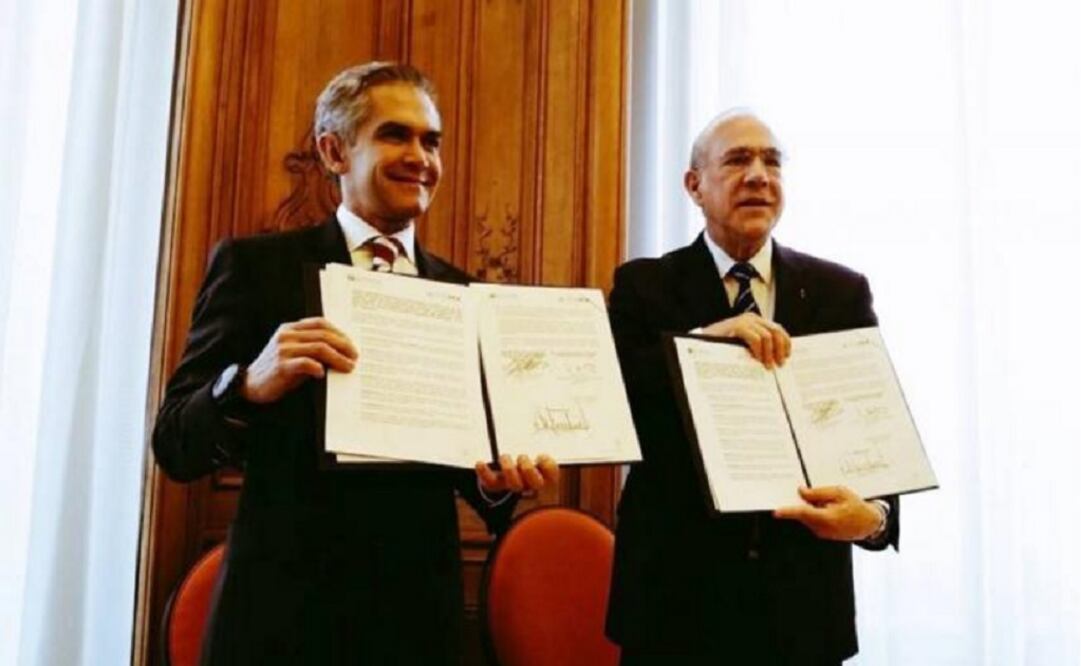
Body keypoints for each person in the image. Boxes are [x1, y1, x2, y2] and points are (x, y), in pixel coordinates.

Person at [152, 61, 558, 665]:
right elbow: (175, 445)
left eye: (432, 141)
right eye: (396, 135)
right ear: (334, 150)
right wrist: (247, 385)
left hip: (418, 626)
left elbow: (471, 473)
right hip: (281, 623)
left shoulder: (467, 295)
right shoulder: (255, 268)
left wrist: (498, 483)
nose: (421, 156)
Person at [605, 110, 899, 665]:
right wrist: (705, 341)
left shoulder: (840, 292)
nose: (759, 175)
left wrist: (876, 519)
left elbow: (871, 427)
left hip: (802, 614)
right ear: (694, 185)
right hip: (675, 612)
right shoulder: (644, 286)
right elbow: (619, 398)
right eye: (738, 160)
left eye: (772, 161)